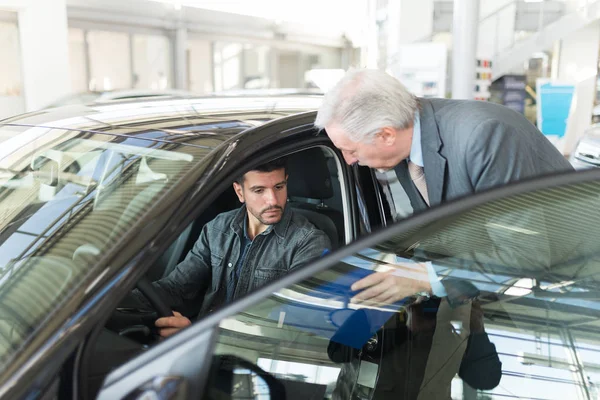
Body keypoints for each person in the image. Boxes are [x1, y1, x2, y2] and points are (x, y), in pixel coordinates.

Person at [315, 67, 573, 305]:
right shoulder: (409, 143)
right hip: (498, 289)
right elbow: (447, 229)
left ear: (386, 135)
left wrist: (424, 277)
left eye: (350, 150)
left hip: (567, 291)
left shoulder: (484, 137)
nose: (349, 162)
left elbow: (525, 254)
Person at [133, 158, 331, 337]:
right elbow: (177, 288)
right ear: (239, 192)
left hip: (256, 356)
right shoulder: (218, 228)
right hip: (203, 345)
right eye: (259, 190)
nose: (272, 200)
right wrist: (118, 301)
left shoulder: (308, 242)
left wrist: (196, 333)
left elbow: (291, 326)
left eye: (279, 186)